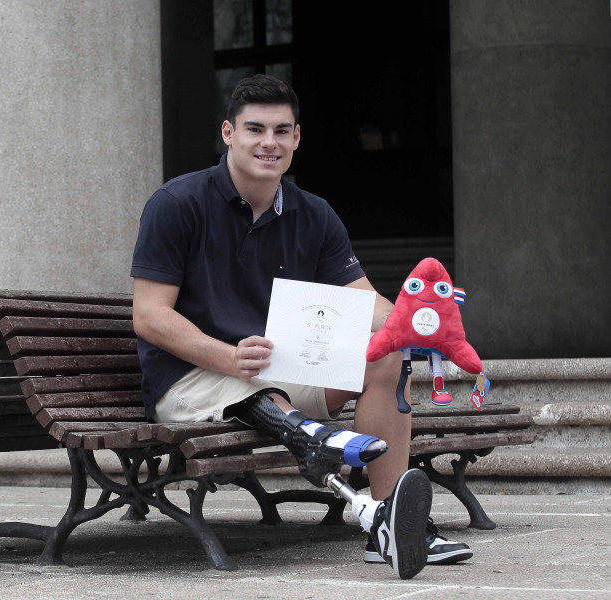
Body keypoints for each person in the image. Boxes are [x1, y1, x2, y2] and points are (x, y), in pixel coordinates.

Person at [130, 74, 472, 578]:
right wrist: (225, 356)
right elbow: (149, 315)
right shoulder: (177, 204)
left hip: (279, 366)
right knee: (254, 384)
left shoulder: (315, 214)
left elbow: (363, 300)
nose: (269, 142)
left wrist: (417, 323)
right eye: (255, 129)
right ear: (228, 133)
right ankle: (318, 443)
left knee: (384, 357)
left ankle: (390, 520)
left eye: (281, 131)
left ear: (296, 138)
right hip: (191, 375)